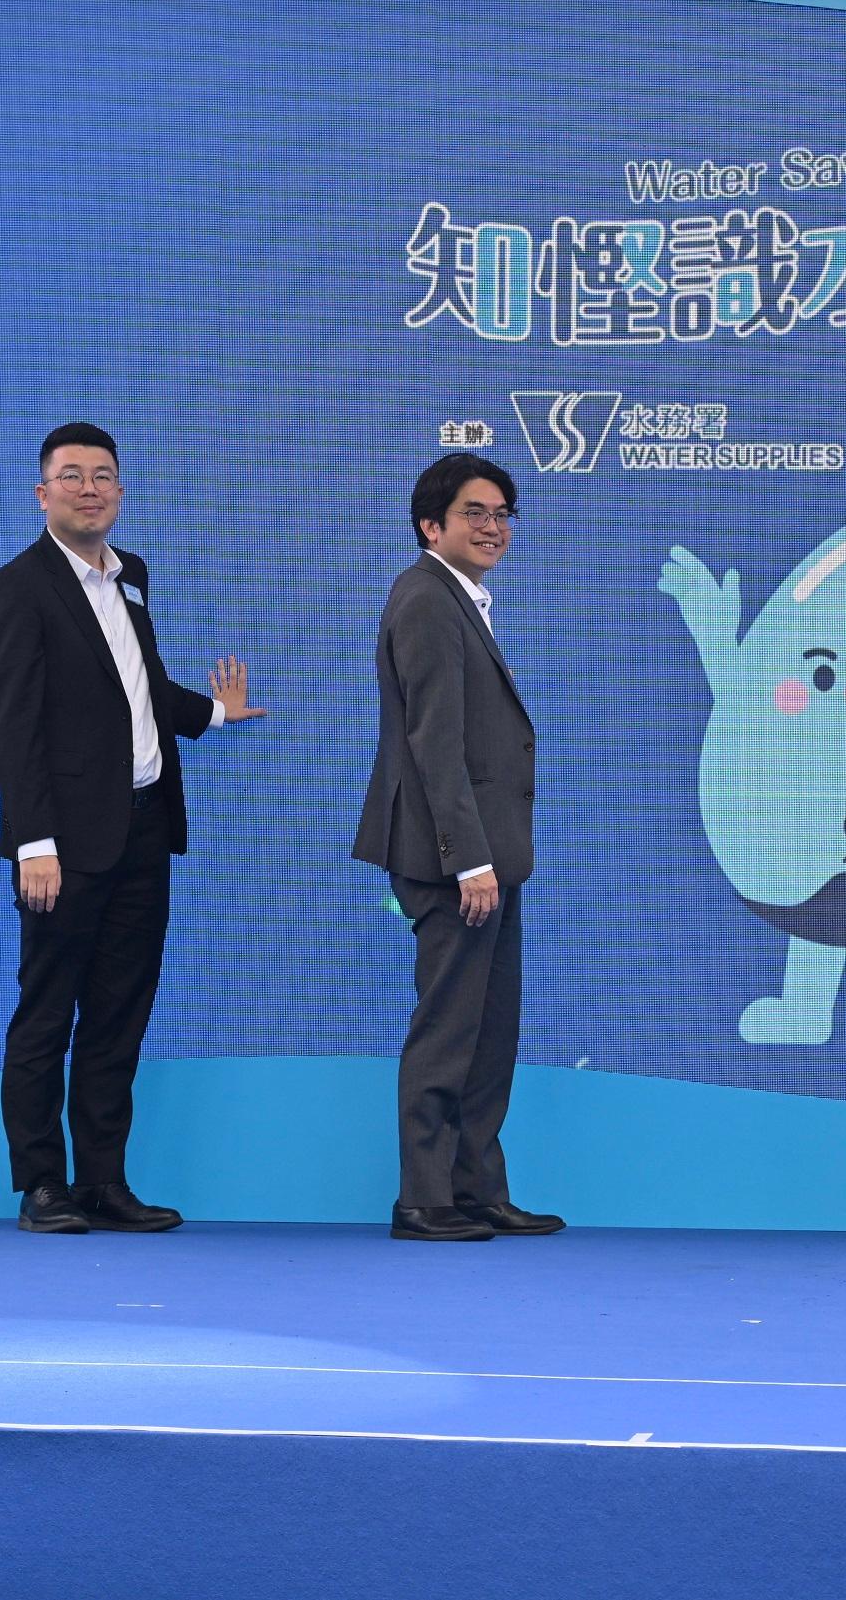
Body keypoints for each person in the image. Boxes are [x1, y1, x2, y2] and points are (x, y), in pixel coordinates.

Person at [0, 422, 263, 1235]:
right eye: (72, 476)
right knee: (47, 1013)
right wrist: (34, 841)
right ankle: (41, 1183)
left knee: (118, 1014)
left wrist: (209, 711)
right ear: (43, 493)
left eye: (104, 476)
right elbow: (13, 725)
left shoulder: (129, 575)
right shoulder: (17, 587)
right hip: (62, 846)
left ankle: (103, 1181)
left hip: (142, 832)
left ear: (121, 491)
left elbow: (134, 686)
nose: (90, 488)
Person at [353, 452, 560, 1242]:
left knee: (490, 1029)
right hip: (454, 862)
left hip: (490, 859)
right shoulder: (427, 599)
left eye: (504, 513)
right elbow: (434, 741)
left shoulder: (460, 600)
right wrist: (468, 856)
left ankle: (476, 1189)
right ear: (429, 525)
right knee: (449, 1028)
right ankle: (424, 1199)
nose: (493, 526)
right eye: (476, 512)